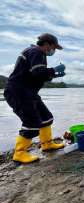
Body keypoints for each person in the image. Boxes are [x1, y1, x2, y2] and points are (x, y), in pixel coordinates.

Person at [4, 33, 66, 164]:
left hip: (29, 92)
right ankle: (19, 153)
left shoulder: (37, 53)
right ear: (47, 44)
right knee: (31, 122)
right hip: (18, 92)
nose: (53, 51)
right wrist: (54, 70)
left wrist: (53, 75)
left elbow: (37, 75)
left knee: (46, 117)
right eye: (54, 47)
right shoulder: (36, 51)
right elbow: (38, 72)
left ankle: (47, 144)